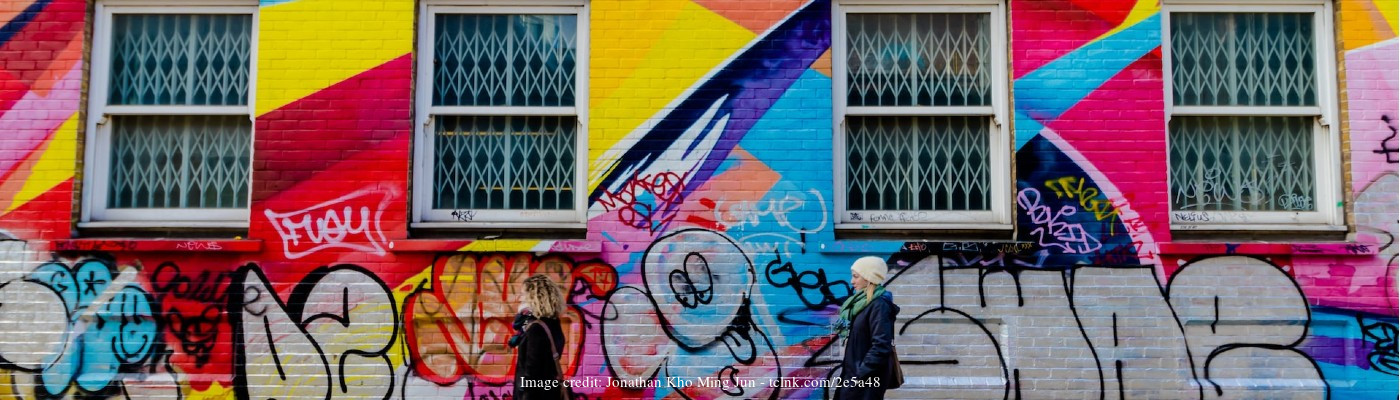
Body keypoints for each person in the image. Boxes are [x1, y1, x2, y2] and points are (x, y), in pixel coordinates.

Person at [832, 256, 900, 400]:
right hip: (855, 375)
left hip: (865, 379)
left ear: (869, 278)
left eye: (856, 276)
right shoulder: (861, 304)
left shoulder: (879, 306)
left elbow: (881, 346)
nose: (852, 281)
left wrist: (859, 375)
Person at [510, 274, 568, 400]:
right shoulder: (554, 323)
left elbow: (532, 374)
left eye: (523, 294)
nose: (520, 298)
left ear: (534, 297)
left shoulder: (536, 329)